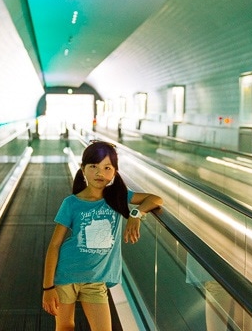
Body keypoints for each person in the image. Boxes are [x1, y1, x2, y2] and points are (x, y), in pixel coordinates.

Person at [42, 140, 163, 331]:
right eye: (93, 167)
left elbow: (156, 199)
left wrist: (136, 214)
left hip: (96, 280)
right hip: (66, 275)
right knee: (65, 326)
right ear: (83, 169)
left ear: (114, 171)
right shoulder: (71, 203)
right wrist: (48, 288)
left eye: (107, 167)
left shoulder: (118, 197)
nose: (100, 173)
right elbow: (55, 245)